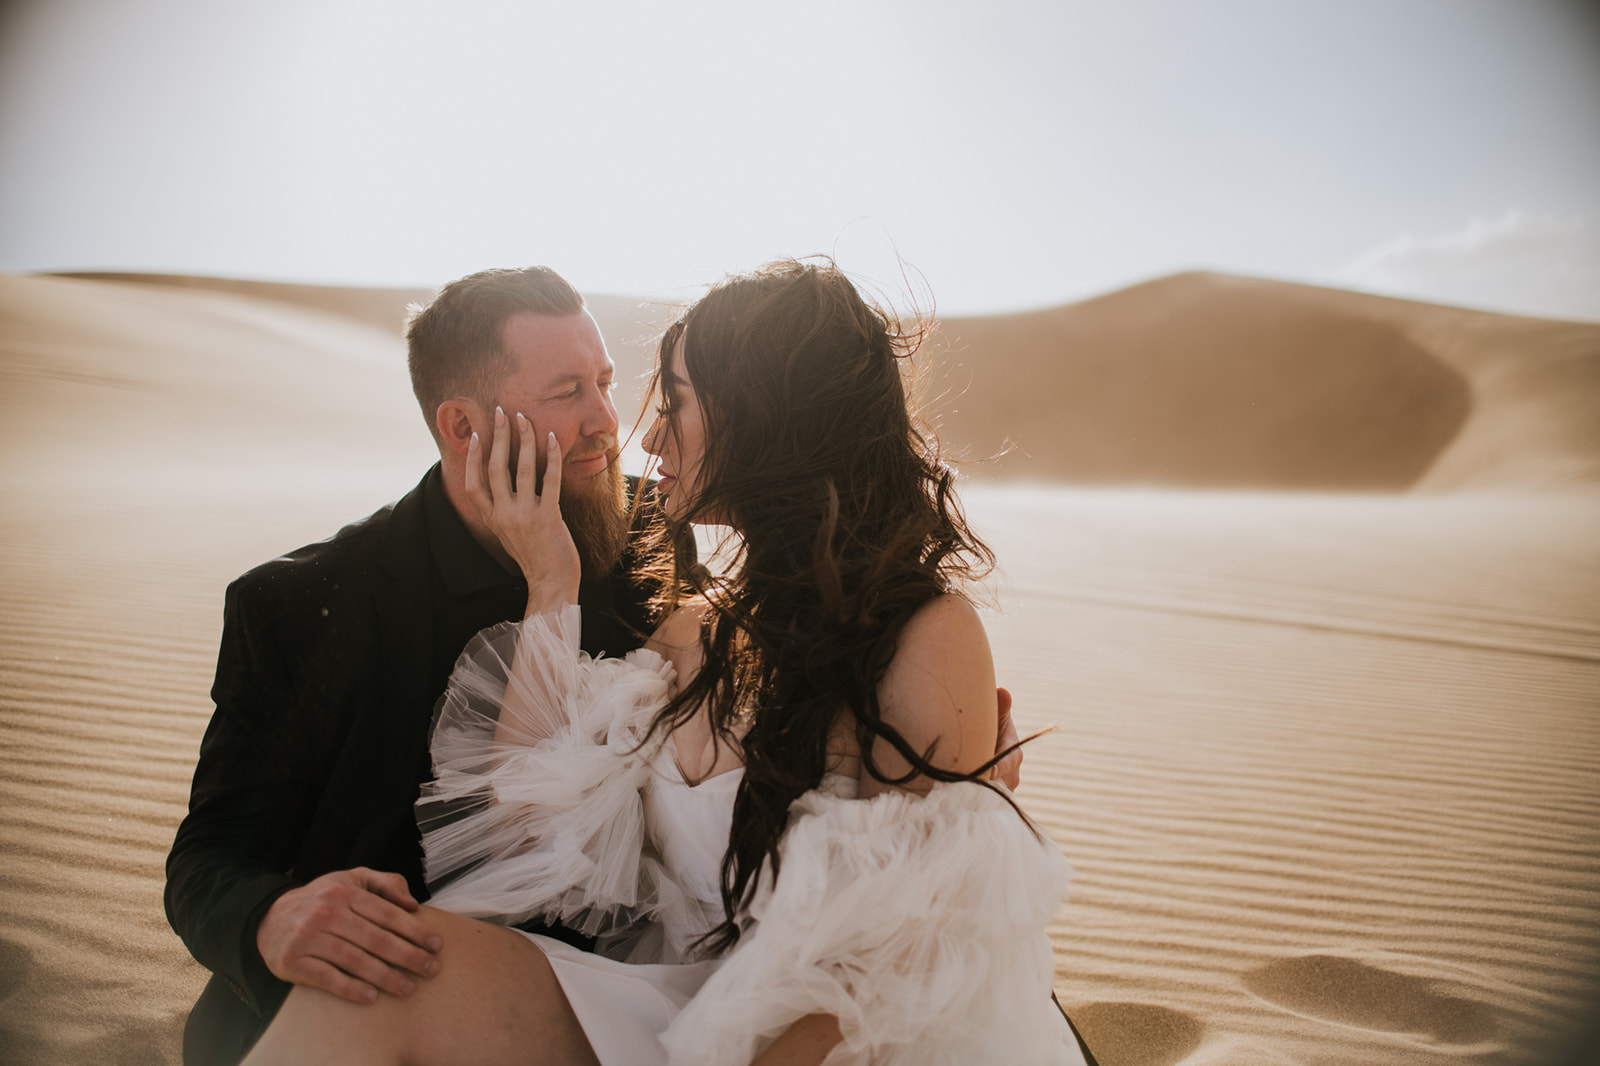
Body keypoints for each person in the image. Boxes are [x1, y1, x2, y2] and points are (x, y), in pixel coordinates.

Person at [239, 260, 1085, 1065]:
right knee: (368, 994)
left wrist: (975, 826)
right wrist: (552, 580)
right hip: (678, 1005)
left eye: (672, 401)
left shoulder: (926, 635)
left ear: (765, 416)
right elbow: (519, 838)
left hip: (841, 1039)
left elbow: (893, 979)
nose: (639, 432)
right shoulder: (691, 632)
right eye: (581, 392)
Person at [163, 267, 668, 1066]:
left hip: (579, 1010)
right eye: (567, 392)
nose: (606, 420)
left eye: (605, 382)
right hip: (359, 1023)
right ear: (464, 428)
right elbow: (208, 860)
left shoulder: (648, 532)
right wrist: (271, 918)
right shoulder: (300, 603)